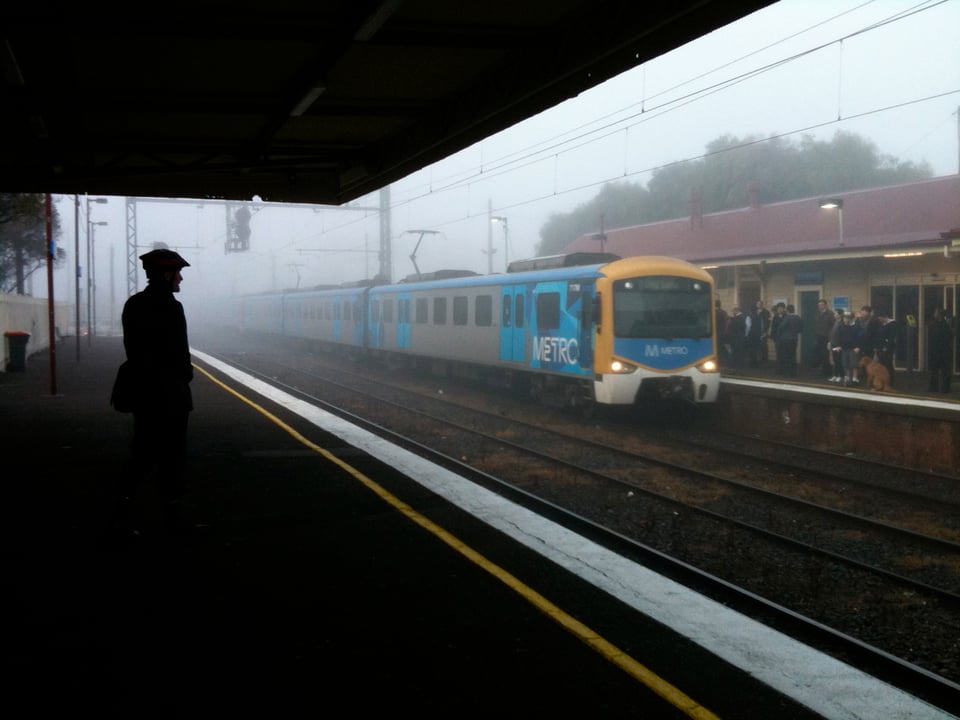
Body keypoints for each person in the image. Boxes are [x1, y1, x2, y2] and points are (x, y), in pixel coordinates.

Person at [117, 248, 195, 532]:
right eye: (177, 273)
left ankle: (124, 497)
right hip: (171, 393)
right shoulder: (173, 308)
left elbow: (132, 348)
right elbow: (180, 351)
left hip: (142, 390)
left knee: (143, 447)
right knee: (173, 452)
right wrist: (183, 377)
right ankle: (172, 506)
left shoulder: (133, 304)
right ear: (165, 275)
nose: (181, 279)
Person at [927, 307, 953, 393]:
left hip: (939, 351)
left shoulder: (935, 326)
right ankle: (942, 388)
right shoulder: (946, 326)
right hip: (942, 351)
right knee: (941, 371)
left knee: (938, 370)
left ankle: (935, 388)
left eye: (935, 313)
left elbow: (932, 340)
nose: (934, 314)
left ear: (939, 314)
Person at [833, 310, 860, 386]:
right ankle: (847, 377)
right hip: (844, 348)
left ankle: (855, 378)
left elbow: (859, 338)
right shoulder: (841, 326)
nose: (846, 319)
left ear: (851, 319)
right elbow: (839, 337)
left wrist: (858, 346)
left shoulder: (856, 327)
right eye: (845, 318)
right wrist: (838, 346)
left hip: (853, 348)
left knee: (854, 364)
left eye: (848, 318)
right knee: (845, 364)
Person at [875, 309, 901, 388]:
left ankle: (890, 381)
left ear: (884, 317)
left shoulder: (893, 324)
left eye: (880, 319)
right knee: (881, 365)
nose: (880, 320)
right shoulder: (883, 324)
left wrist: (887, 347)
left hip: (887, 348)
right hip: (880, 347)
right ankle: (882, 381)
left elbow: (892, 337)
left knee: (888, 365)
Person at [775, 304, 803, 377]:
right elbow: (801, 329)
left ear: (787, 310)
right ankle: (793, 372)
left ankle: (787, 372)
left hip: (785, 339)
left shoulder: (787, 318)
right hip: (794, 338)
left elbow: (781, 327)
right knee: (793, 355)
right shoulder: (798, 318)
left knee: (786, 356)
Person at [812, 299, 835, 378]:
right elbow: (815, 324)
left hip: (826, 336)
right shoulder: (817, 313)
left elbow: (832, 326)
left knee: (826, 353)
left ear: (825, 305)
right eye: (819, 305)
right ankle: (821, 367)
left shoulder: (830, 314)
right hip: (818, 336)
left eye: (821, 305)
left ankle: (827, 370)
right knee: (819, 352)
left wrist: (830, 337)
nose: (820, 306)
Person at [827, 308, 845, 382]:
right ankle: (835, 375)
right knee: (834, 360)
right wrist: (830, 342)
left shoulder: (842, 323)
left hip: (838, 345)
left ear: (840, 315)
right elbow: (832, 333)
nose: (834, 315)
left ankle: (840, 376)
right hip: (833, 343)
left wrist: (840, 345)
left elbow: (842, 335)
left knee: (839, 361)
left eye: (836, 313)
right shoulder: (835, 322)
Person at [715, 300, 731, 367]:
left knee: (717, 349)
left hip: (715, 334)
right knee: (722, 349)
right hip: (722, 334)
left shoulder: (713, 312)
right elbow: (727, 323)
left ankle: (719, 363)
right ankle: (725, 363)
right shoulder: (724, 312)